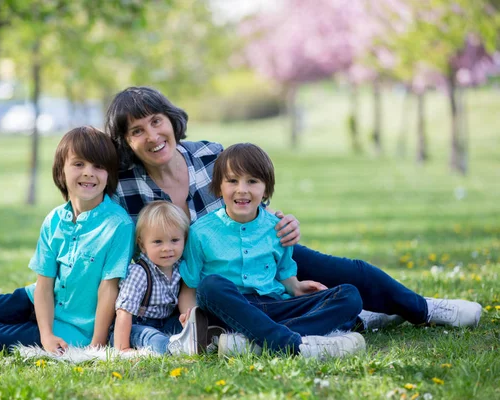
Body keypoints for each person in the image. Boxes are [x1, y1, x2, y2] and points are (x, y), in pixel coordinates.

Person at [105, 86, 482, 333]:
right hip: (197, 282)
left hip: (256, 256)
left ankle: (424, 308)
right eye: (136, 131)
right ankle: (355, 322)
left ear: (171, 120)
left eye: (156, 121)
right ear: (125, 141)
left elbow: (249, 199)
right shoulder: (124, 187)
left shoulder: (209, 154)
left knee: (346, 271)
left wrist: (283, 223)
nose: (152, 136)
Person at [0, 126, 135, 354]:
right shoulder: (54, 219)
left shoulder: (119, 225)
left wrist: (95, 343)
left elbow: (109, 289)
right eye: (79, 164)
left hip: (72, 328)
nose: (89, 172)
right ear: (61, 172)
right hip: (35, 300)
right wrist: (45, 334)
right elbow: (45, 285)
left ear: (109, 175)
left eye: (99, 166)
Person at [181, 143, 366, 357]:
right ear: (218, 187)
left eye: (252, 181)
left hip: (275, 306)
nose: (242, 189)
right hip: (231, 309)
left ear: (266, 189)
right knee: (210, 285)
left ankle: (254, 342)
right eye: (232, 181)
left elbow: (286, 277)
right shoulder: (200, 232)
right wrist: (190, 317)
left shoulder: (277, 228)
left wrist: (297, 288)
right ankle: (294, 344)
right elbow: (191, 286)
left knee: (350, 296)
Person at [113, 200, 208, 355]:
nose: (167, 248)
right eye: (158, 242)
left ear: (184, 240)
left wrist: (186, 321)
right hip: (134, 326)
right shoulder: (139, 273)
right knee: (150, 337)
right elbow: (124, 313)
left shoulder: (180, 268)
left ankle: (200, 340)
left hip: (165, 323)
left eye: (175, 240)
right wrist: (122, 348)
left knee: (186, 325)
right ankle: (171, 348)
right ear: (142, 245)